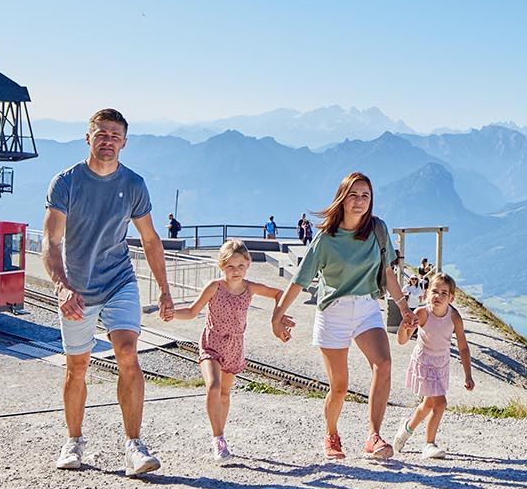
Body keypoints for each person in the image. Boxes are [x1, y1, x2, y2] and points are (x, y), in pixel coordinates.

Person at [43, 108, 175, 476]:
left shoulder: (133, 184)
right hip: (77, 286)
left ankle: (134, 447)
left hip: (119, 280)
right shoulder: (66, 183)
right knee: (78, 366)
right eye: (101, 134)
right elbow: (51, 242)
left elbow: (150, 239)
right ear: (88, 138)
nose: (108, 142)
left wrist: (164, 290)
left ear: (124, 143)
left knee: (128, 353)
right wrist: (62, 286)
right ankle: (73, 442)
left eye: (115, 136)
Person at [270, 171, 414, 460]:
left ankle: (373, 437)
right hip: (333, 311)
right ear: (342, 198)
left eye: (365, 196)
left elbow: (388, 272)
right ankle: (331, 434)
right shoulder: (325, 239)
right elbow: (299, 280)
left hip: (366, 307)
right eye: (354, 195)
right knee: (339, 387)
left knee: (383, 364)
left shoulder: (378, 229)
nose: (360, 201)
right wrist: (278, 315)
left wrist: (404, 308)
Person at [170, 240, 289, 461]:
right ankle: (217, 437)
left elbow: (279, 293)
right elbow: (192, 311)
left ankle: (221, 437)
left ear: (248, 264)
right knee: (213, 386)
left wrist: (278, 318)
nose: (236, 271)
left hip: (235, 346)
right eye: (230, 267)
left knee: (225, 393)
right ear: (221, 266)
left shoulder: (250, 288)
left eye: (240, 266)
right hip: (211, 343)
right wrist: (171, 313)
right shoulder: (215, 287)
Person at [393, 272, 474, 458]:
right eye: (435, 291)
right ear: (427, 292)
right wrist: (404, 328)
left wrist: (468, 374)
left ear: (451, 297)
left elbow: (463, 346)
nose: (438, 296)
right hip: (425, 361)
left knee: (428, 403)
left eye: (444, 293)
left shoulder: (454, 317)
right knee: (440, 403)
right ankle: (429, 444)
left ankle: (405, 430)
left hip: (441, 363)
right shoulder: (422, 313)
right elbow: (402, 340)